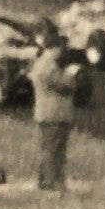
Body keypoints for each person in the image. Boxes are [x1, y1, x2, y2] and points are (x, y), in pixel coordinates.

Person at [28, 20, 82, 191]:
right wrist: (72, 75)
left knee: (48, 149)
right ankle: (54, 182)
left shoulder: (41, 63)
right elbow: (64, 84)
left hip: (46, 113)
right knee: (55, 151)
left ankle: (45, 180)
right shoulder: (48, 67)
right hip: (54, 114)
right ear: (53, 48)